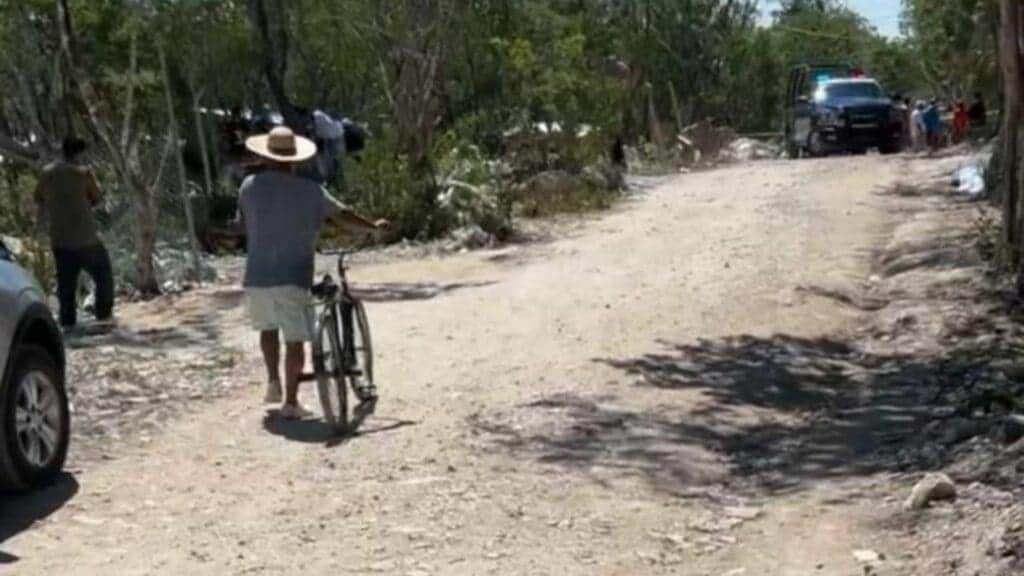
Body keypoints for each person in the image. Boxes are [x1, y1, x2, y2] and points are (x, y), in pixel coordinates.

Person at [238, 126, 389, 419]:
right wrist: (372, 227)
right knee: (295, 340)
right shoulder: (310, 190)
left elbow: (246, 221)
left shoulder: (249, 187)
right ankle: (291, 403)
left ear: (265, 155)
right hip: (293, 274)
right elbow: (342, 215)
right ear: (295, 159)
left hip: (255, 275)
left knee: (267, 329)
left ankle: (273, 382)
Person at [34, 137, 115, 330]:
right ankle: (103, 314)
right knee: (103, 274)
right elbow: (96, 198)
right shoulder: (83, 173)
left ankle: (68, 321)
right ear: (79, 154)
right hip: (85, 237)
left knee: (66, 283)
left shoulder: (47, 173)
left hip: (60, 238)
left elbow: (39, 197)